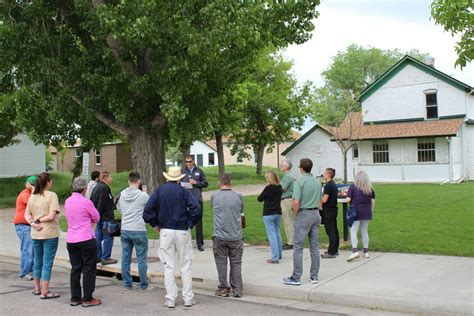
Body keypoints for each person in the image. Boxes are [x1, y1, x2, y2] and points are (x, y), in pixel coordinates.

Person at [143, 167, 202, 308]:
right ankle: (188, 297)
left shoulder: (159, 191)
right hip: (182, 230)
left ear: (167, 177)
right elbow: (196, 209)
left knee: (168, 266)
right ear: (179, 178)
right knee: (185, 265)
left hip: (166, 231)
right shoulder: (183, 191)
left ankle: (170, 298)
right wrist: (190, 222)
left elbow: (147, 211)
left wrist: (155, 224)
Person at [283, 158, 322, 286]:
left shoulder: (300, 181)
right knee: (314, 247)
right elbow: (320, 201)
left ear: (301, 168)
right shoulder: (317, 182)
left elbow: (296, 202)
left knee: (298, 247)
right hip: (316, 213)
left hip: (304, 214)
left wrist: (296, 215)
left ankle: (296, 277)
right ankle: (314, 276)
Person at [64, 177, 102, 307]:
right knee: (89, 268)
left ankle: (75, 298)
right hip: (85, 237)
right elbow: (96, 217)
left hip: (71, 238)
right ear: (85, 189)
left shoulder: (67, 201)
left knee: (75, 268)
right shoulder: (86, 202)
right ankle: (87, 298)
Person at [24, 172, 61, 299]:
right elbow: (51, 216)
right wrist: (39, 221)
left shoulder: (32, 196)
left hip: (36, 233)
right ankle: (45, 291)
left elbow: (27, 215)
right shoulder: (52, 196)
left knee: (38, 261)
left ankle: (37, 288)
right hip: (50, 232)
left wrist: (33, 223)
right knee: (47, 262)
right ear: (48, 182)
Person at [211, 173, 244, 298]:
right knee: (236, 262)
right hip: (235, 235)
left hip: (219, 235)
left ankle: (224, 287)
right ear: (231, 183)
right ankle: (237, 289)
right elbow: (241, 211)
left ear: (220, 183)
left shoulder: (215, 197)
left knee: (221, 262)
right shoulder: (238, 197)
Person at [117, 171, 151, 291]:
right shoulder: (143, 196)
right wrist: (145, 193)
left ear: (128, 181)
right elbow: (150, 208)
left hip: (125, 228)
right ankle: (143, 285)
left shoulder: (122, 194)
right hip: (138, 229)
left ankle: (127, 283)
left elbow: (120, 210)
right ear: (139, 181)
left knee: (125, 257)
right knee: (141, 258)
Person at [346, 170, 376, 262]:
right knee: (364, 231)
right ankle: (365, 252)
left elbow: (348, 199)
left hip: (356, 211)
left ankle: (355, 250)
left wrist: (345, 195)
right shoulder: (369, 188)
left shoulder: (353, 187)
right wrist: (371, 210)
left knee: (353, 230)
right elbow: (373, 201)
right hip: (367, 211)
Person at [181, 155, 208, 251]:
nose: (188, 163)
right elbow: (178, 183)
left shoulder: (199, 171)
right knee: (184, 221)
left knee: (198, 222)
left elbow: (205, 183)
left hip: (197, 200)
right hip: (185, 200)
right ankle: (184, 244)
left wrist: (196, 183)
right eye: (186, 162)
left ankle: (200, 244)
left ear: (193, 161)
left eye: (189, 161)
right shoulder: (182, 171)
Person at [90, 171, 117, 265]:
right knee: (108, 237)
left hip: (100, 218)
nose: (112, 178)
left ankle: (98, 256)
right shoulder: (105, 188)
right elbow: (102, 203)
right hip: (106, 217)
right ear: (105, 178)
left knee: (98, 236)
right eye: (110, 176)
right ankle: (106, 258)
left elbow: (93, 202)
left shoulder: (96, 187)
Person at [13, 175, 36, 281]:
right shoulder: (24, 194)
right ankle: (24, 272)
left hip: (27, 225)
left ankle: (30, 269)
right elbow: (31, 202)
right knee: (27, 249)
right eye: (34, 185)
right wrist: (33, 189)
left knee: (32, 249)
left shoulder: (30, 193)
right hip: (22, 225)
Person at [257, 171, 283, 264]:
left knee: (272, 235)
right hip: (277, 212)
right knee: (277, 233)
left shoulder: (268, 188)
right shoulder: (279, 187)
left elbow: (259, 198)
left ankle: (275, 257)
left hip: (269, 213)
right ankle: (279, 254)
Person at [321, 168, 340, 258]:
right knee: (334, 230)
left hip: (328, 211)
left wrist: (317, 200)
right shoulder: (333, 185)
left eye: (324, 173)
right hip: (333, 210)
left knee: (330, 231)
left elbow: (324, 199)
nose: (323, 174)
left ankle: (331, 252)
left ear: (328, 175)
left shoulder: (328, 186)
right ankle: (335, 249)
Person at [280, 159, 296, 250]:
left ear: (286, 166)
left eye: (282, 165)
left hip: (286, 200)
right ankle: (291, 241)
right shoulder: (289, 175)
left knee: (288, 221)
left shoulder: (288, 176)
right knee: (289, 221)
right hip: (289, 199)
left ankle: (291, 242)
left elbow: (282, 188)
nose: (280, 166)